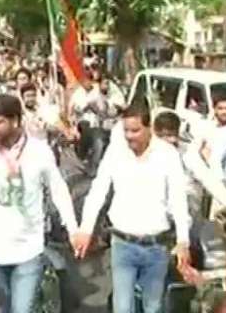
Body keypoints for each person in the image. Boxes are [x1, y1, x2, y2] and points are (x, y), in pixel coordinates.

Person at [0, 94, 78, 313]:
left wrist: (73, 228)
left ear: (15, 121)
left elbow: (58, 189)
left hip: (28, 249)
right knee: (7, 306)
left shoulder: (39, 151)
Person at [73, 102, 190, 313]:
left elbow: (178, 199)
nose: (129, 136)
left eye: (135, 131)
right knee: (122, 308)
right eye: (126, 130)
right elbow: (98, 191)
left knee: (153, 308)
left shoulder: (167, 155)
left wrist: (183, 240)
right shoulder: (116, 153)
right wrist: (85, 229)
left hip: (157, 247)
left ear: (149, 128)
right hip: (123, 245)